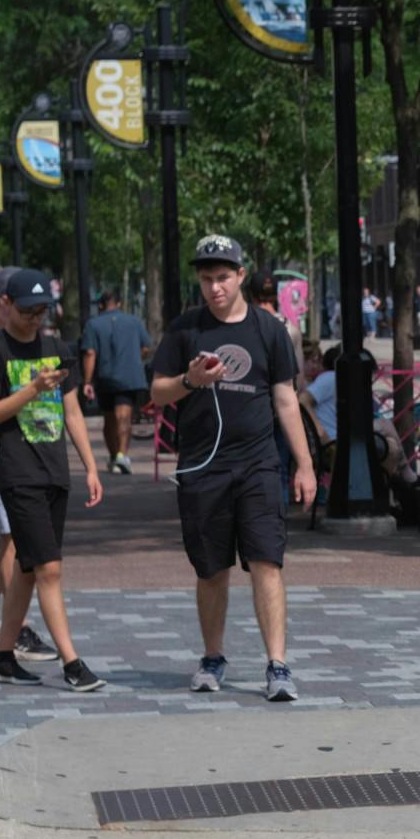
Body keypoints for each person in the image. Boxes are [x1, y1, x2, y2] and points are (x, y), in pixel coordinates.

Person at [148, 235, 316, 702]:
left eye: (223, 278)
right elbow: (159, 391)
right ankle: (213, 656)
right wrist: (190, 380)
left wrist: (303, 464)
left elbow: (285, 400)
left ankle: (277, 665)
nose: (215, 288)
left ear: (241, 275)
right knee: (211, 569)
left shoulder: (268, 330)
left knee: (267, 560)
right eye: (206, 279)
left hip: (259, 463)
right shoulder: (186, 330)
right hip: (203, 466)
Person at [0, 269, 106, 690]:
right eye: (27, 311)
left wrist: (91, 466)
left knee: (26, 568)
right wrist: (33, 389)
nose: (35, 318)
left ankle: (2, 656)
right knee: (50, 569)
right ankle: (73, 665)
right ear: (7, 306)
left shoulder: (57, 347)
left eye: (43, 310)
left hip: (56, 471)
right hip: (19, 474)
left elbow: (73, 412)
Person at [0, 269, 54, 665]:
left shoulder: (25, 341)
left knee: (16, 546)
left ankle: (8, 618)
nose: (32, 315)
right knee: (19, 548)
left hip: (9, 458)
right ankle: (19, 629)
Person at [78, 290, 155, 477]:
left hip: (105, 377)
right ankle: (122, 455)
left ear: (101, 305)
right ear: (119, 303)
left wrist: (87, 381)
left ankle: (114, 457)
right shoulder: (134, 322)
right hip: (129, 377)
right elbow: (146, 348)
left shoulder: (93, 324)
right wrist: (136, 357)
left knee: (109, 419)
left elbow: (89, 353)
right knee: (124, 417)